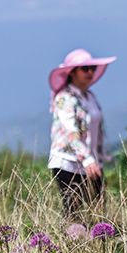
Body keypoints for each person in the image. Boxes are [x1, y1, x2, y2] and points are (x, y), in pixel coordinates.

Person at [48, 49, 116, 222]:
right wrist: (87, 158)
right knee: (74, 211)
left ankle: (98, 246)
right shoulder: (64, 98)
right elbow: (71, 132)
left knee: (99, 209)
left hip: (90, 162)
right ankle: (74, 246)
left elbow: (97, 130)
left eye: (92, 67)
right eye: (85, 68)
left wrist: (98, 159)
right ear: (72, 72)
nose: (90, 72)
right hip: (68, 163)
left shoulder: (89, 96)